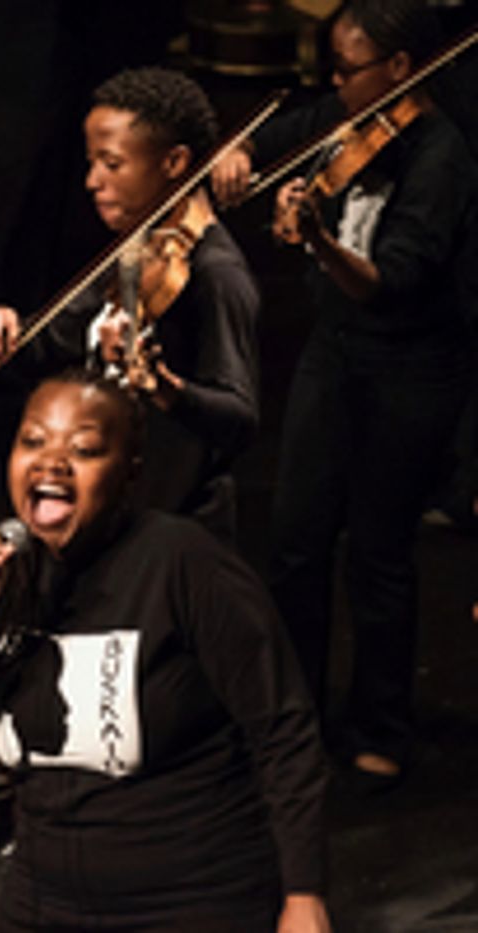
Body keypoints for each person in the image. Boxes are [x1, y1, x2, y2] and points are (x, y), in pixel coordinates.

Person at [0, 370, 330, 932]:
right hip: (45, 897)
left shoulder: (183, 564)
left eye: (83, 449)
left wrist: (304, 895)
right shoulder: (3, 580)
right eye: (33, 441)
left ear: (129, 473)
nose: (51, 462)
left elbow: (284, 730)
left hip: (192, 898)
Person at [212, 0, 478, 785]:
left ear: (399, 70)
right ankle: (296, 719)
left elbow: (388, 282)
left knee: (378, 551)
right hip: (336, 358)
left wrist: (321, 239)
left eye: (349, 67)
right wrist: (240, 152)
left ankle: (381, 724)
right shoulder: (345, 115)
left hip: (411, 370)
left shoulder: (443, 159)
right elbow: (282, 134)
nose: (334, 82)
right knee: (296, 542)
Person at [0, 66, 260, 541]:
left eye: (112, 164)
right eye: (91, 162)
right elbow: (56, 341)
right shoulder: (136, 247)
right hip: (114, 512)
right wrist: (7, 330)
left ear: (175, 162)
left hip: (175, 529)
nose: (92, 181)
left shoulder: (214, 274)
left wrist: (165, 388)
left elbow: (239, 422)